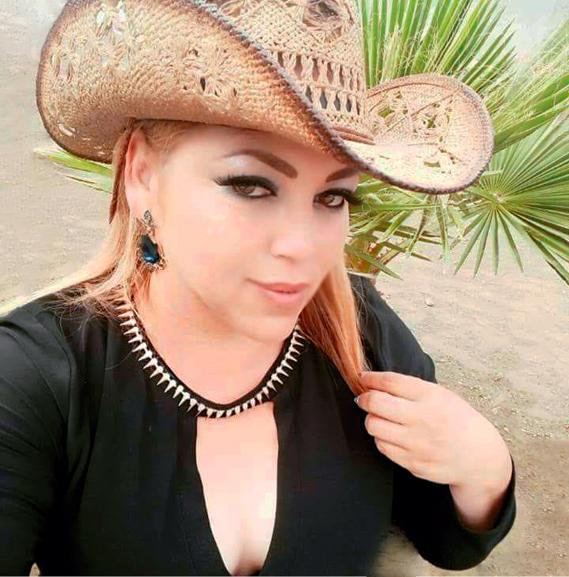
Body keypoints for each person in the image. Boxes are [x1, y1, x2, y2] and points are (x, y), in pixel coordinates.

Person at [0, 0, 516, 575]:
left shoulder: (360, 332)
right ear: (142, 173)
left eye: (334, 197)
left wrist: (484, 466)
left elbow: (447, 537)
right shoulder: (32, 377)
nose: (303, 246)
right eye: (251, 185)